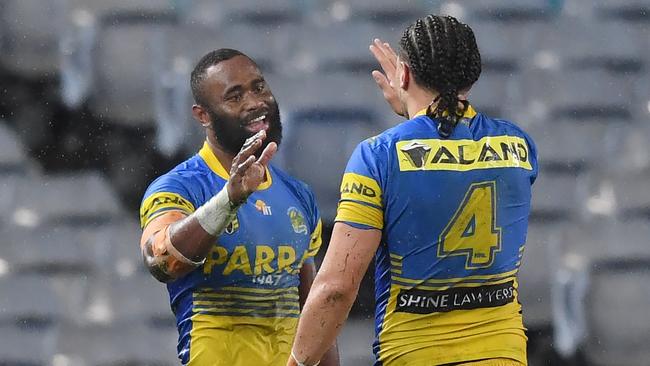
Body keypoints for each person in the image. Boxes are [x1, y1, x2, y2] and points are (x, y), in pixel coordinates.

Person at [288, 15, 538, 366]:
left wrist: (298, 361)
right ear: (472, 75)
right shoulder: (518, 145)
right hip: (504, 354)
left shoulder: (378, 156)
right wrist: (416, 115)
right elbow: (453, 164)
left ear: (402, 75)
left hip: (415, 355)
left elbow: (337, 289)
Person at [139, 48, 339, 366]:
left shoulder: (299, 195)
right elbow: (160, 261)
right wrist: (228, 201)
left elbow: (314, 316)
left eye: (259, 87)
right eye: (234, 97)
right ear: (203, 115)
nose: (255, 102)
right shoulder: (180, 187)